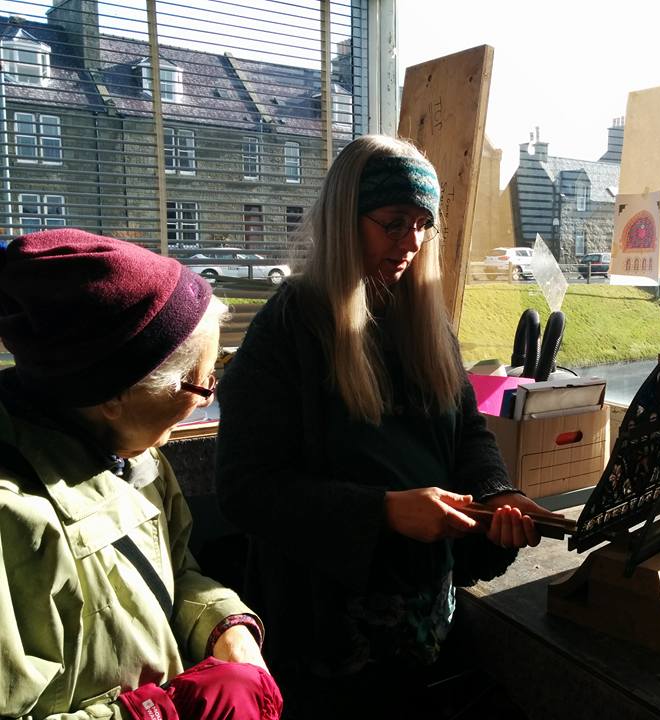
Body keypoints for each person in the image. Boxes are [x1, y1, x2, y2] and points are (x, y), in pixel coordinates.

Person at [215, 134, 549, 715]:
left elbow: (468, 432)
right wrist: (385, 512)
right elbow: (245, 490)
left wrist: (498, 495)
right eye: (393, 223)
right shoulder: (287, 331)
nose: (411, 244)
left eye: (423, 225)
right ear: (346, 219)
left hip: (423, 623)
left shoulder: (423, 321)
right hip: (327, 638)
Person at [0, 229, 282, 719]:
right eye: (200, 381)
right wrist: (159, 712)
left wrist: (224, 626)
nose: (208, 397)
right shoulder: (15, 519)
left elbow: (174, 574)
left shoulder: (137, 457)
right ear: (114, 395)